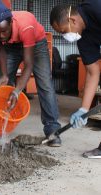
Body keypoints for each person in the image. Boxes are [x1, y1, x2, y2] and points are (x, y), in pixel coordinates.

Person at [0, 0, 61, 147]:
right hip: (10, 47)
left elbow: (29, 64)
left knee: (45, 85)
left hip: (37, 44)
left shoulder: (25, 25)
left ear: (11, 23)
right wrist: (4, 74)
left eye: (4, 31)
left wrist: (17, 91)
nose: (1, 35)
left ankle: (52, 129)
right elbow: (0, 49)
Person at [50, 0, 101, 158]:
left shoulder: (96, 8)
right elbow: (93, 72)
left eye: (64, 31)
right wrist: (84, 109)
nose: (65, 36)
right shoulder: (83, 38)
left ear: (73, 20)